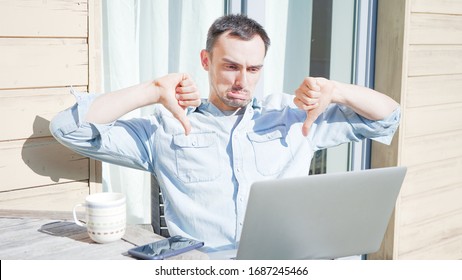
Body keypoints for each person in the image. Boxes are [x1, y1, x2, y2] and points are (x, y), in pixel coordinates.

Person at [50, 14, 400, 251]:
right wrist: (152, 90)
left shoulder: (295, 119)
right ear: (206, 61)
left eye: (253, 69)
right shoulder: (167, 127)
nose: (241, 81)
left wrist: (336, 91)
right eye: (230, 66)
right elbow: (69, 129)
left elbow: (387, 118)